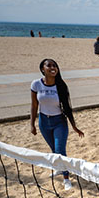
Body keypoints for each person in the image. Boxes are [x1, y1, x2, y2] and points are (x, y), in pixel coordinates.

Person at [29, 59, 85, 190]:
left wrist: (74, 126)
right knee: (54, 150)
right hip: (44, 121)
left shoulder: (61, 85)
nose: (52, 68)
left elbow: (67, 108)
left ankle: (66, 178)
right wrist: (32, 124)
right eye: (49, 65)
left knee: (60, 151)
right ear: (43, 69)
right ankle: (59, 169)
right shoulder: (36, 84)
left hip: (59, 122)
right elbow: (34, 105)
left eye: (55, 66)